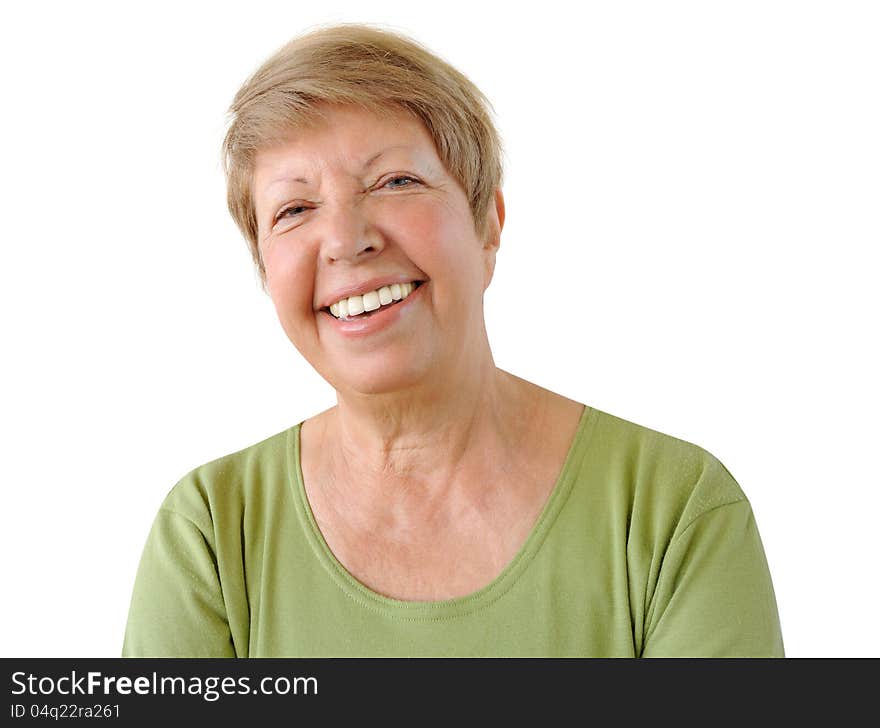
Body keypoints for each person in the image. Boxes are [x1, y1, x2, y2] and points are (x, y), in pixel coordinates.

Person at [122, 23, 784, 657]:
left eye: (395, 182)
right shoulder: (211, 532)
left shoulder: (673, 511)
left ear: (488, 223)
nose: (348, 240)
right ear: (266, 267)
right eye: (294, 209)